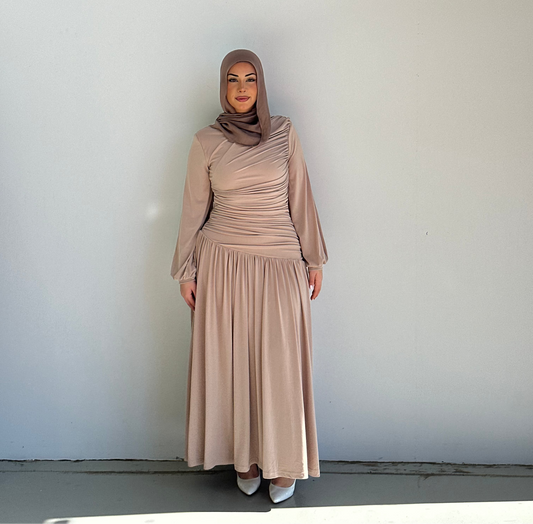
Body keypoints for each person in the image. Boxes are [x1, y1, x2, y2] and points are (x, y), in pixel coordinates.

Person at [170, 49, 328, 504]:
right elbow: (193, 209)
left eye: (250, 79)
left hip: (280, 260)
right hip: (222, 263)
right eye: (233, 79)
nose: (242, 88)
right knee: (231, 363)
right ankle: (245, 459)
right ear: (223, 87)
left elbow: (300, 195)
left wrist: (314, 259)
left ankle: (284, 461)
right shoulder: (206, 141)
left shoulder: (284, 132)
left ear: (261, 86)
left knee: (279, 365)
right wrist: (185, 270)